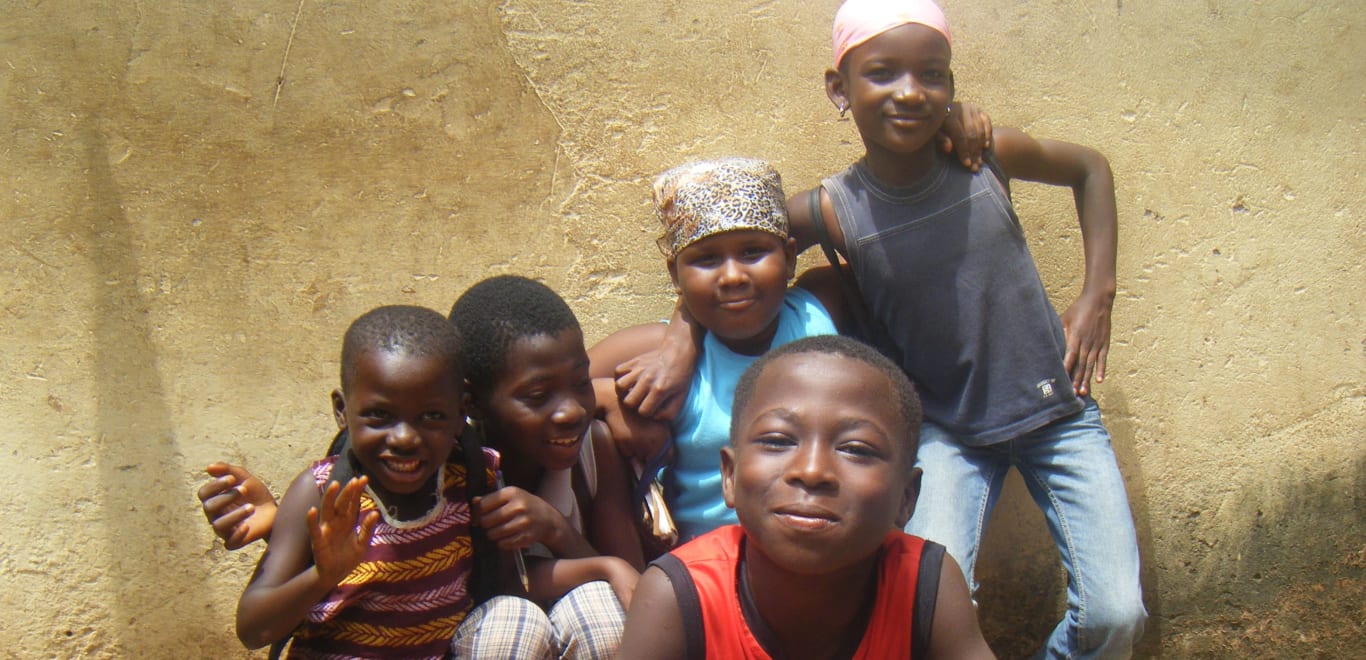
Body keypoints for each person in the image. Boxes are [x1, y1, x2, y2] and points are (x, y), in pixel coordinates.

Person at [783, 1, 1147, 656]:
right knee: (931, 611)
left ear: (951, 86)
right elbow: (732, 245)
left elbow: (1090, 167)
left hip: (1056, 412)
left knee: (1115, 616)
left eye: (933, 75)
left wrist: (1098, 295)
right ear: (840, 89)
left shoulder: (985, 157)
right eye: (883, 73)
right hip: (944, 432)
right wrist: (676, 335)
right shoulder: (835, 209)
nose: (910, 92)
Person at [617, 335, 995, 659]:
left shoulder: (924, 584)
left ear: (906, 497)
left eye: (856, 449)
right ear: (729, 476)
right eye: (777, 441)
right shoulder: (680, 597)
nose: (812, 471)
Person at [586, 157, 849, 544]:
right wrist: (608, 397)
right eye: (706, 259)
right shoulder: (653, 351)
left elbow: (888, 239)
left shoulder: (821, 309)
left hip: (823, 553)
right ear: (675, 274)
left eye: (752, 252)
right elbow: (552, 385)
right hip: (707, 571)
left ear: (790, 257)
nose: (732, 277)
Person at [234, 305, 489, 657]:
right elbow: (252, 629)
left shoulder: (469, 480)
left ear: (462, 411)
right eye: (379, 415)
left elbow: (499, 591)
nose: (404, 438)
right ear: (342, 410)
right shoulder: (321, 491)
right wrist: (322, 576)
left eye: (431, 416)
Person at [445, 274, 642, 658]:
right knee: (513, 624)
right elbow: (495, 589)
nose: (571, 411)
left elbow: (630, 583)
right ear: (471, 402)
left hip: (582, 633)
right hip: (490, 635)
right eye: (537, 396)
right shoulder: (459, 468)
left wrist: (556, 530)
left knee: (600, 608)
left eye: (581, 383)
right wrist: (604, 566)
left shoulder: (594, 449)